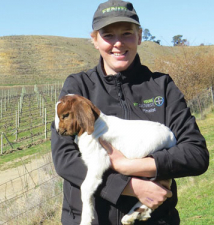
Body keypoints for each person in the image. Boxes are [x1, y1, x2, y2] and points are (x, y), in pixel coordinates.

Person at [51, 0, 209, 224]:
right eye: (107, 35)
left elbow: (196, 155)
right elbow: (64, 158)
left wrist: (132, 166)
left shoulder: (162, 86)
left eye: (126, 33)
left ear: (140, 36)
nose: (118, 43)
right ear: (94, 40)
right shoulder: (78, 88)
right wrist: (130, 186)